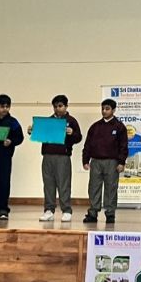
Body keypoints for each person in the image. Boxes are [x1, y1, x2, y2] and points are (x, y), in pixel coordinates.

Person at [28, 95, 83, 223]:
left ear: (66, 106)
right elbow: (40, 135)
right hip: (47, 156)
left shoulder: (71, 121)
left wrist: (72, 133)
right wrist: (32, 131)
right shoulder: (48, 121)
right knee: (48, 184)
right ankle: (49, 210)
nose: (58, 108)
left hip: (63, 156)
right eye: (55, 106)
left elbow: (78, 137)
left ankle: (66, 210)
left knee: (63, 184)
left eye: (60, 106)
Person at [82, 98, 129, 224]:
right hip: (96, 161)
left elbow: (123, 146)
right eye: (102, 108)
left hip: (112, 162)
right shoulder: (95, 126)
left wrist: (121, 162)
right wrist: (85, 160)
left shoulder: (119, 127)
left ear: (113, 110)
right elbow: (87, 145)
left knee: (111, 188)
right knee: (94, 187)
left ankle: (110, 213)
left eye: (107, 109)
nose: (104, 111)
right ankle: (93, 212)